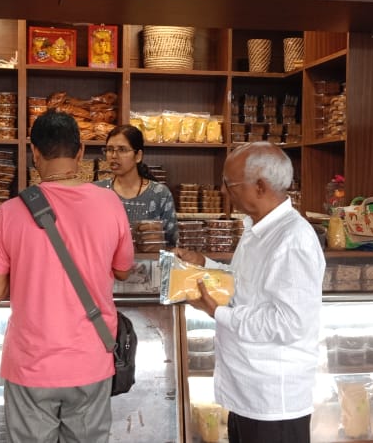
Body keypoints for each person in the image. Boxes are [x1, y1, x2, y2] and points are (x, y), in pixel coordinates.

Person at [0, 110, 136, 442]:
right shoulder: (110, 203)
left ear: (34, 152)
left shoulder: (8, 212)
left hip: (30, 364)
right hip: (91, 359)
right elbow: (123, 270)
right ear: (80, 152)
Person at [176, 142, 324, 443]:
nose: (223, 190)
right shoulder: (257, 228)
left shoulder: (293, 239)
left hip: (273, 402)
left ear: (260, 186)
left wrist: (218, 312)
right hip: (247, 392)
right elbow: (245, 284)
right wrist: (205, 265)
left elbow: (289, 324)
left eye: (230, 184)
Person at [94, 125, 178, 246]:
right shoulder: (97, 191)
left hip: (151, 258)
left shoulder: (160, 193)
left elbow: (172, 244)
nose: (114, 156)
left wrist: (156, 241)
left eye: (122, 150)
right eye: (109, 149)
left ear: (138, 156)